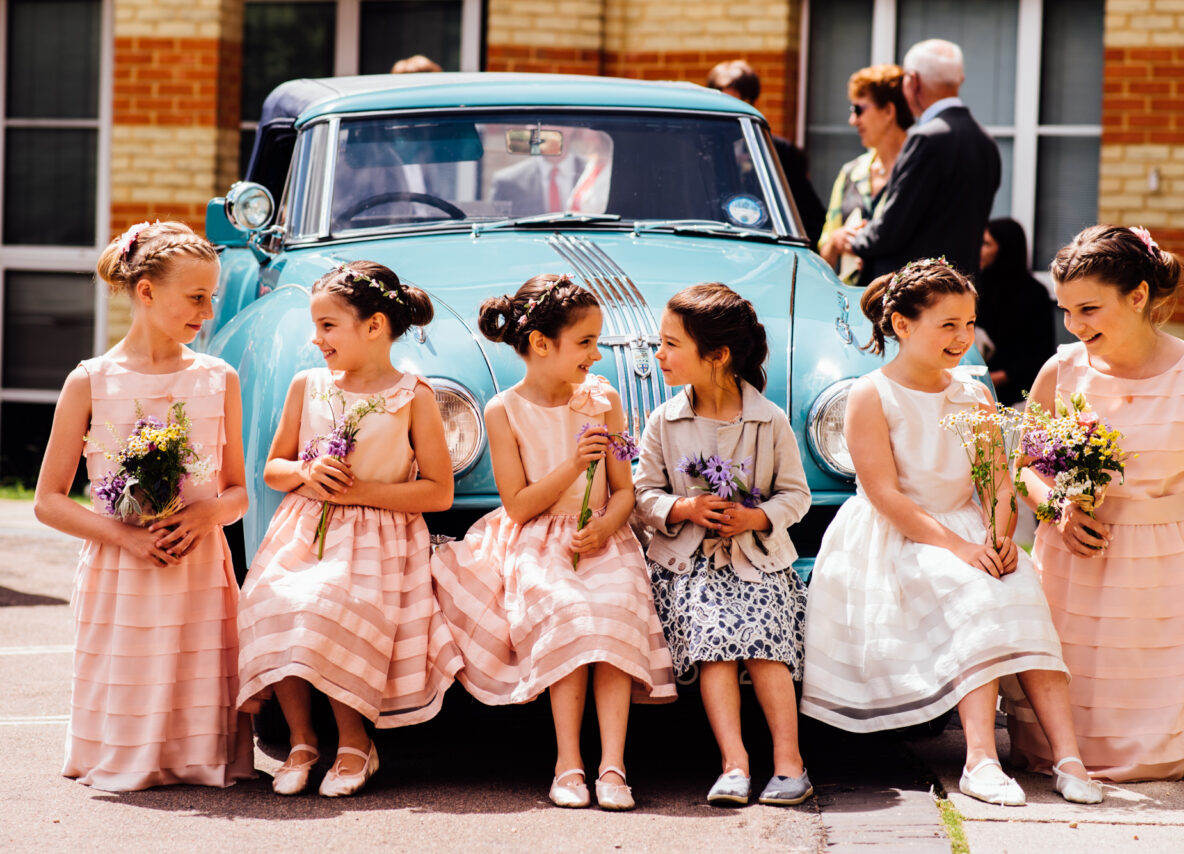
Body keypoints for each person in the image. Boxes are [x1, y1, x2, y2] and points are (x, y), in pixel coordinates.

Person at [800, 259, 1102, 806]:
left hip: (970, 528)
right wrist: (961, 547)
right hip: (904, 533)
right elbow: (886, 496)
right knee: (977, 595)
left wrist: (999, 533)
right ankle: (980, 760)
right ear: (902, 326)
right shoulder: (871, 395)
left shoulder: (973, 393)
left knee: (1021, 593)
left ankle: (1069, 757)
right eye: (948, 325)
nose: (963, 338)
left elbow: (996, 481)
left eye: (969, 323)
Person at [1006, 225, 1184, 782]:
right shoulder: (1060, 370)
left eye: (1089, 309)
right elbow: (1024, 466)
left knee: (1154, 748)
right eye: (1066, 310)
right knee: (1071, 709)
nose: (1074, 325)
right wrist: (1058, 508)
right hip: (1074, 563)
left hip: (1171, 568)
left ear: (1139, 295)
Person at [431, 275, 675, 811]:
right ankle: (569, 761)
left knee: (611, 608)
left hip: (601, 537)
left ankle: (613, 763)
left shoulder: (601, 399)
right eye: (586, 341)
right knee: (566, 611)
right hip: (537, 539)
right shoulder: (503, 410)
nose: (597, 352)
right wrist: (573, 462)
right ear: (542, 344)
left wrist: (608, 527)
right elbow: (518, 506)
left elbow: (623, 490)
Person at [33, 221, 255, 791]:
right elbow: (48, 502)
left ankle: (198, 753)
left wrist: (208, 515)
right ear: (148, 291)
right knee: (128, 683)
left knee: (194, 674)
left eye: (212, 297)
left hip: (199, 568)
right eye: (196, 297)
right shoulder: (89, 382)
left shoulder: (219, 378)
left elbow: (237, 492)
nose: (207, 311)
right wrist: (127, 537)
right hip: (121, 570)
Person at [236, 261, 460, 797]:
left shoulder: (413, 395)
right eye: (316, 327)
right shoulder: (307, 384)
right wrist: (308, 474)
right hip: (305, 527)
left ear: (375, 326)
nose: (316, 339)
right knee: (271, 600)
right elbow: (273, 468)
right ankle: (302, 739)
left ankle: (356, 740)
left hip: (379, 540)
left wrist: (360, 493)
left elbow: (439, 491)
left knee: (334, 604)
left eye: (328, 326)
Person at [634, 283, 812, 807]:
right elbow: (643, 493)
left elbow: (796, 496)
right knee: (714, 640)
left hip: (759, 562)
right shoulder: (663, 421)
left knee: (764, 640)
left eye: (670, 345)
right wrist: (684, 509)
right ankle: (734, 764)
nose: (658, 354)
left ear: (717, 355)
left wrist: (756, 516)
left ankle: (789, 763)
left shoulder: (769, 419)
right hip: (690, 566)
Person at [844, 39, 1000, 283]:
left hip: (918, 294)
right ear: (960, 80)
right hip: (961, 290)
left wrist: (854, 239)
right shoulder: (985, 142)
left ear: (913, 81)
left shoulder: (925, 139)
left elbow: (892, 229)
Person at [706, 59, 827, 249]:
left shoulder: (778, 152)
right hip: (709, 245)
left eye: (736, 102)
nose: (727, 111)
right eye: (721, 102)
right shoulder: (699, 152)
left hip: (763, 251)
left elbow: (811, 217)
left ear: (751, 103)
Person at [817, 64, 913, 283]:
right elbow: (823, 255)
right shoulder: (850, 172)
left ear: (888, 111)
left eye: (858, 110)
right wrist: (837, 240)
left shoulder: (918, 171)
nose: (853, 121)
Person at [976, 218, 1056, 405]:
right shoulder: (977, 288)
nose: (980, 249)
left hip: (1019, 398)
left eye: (986, 244)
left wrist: (997, 378)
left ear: (1005, 248)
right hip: (978, 393)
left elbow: (1040, 353)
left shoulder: (1033, 293)